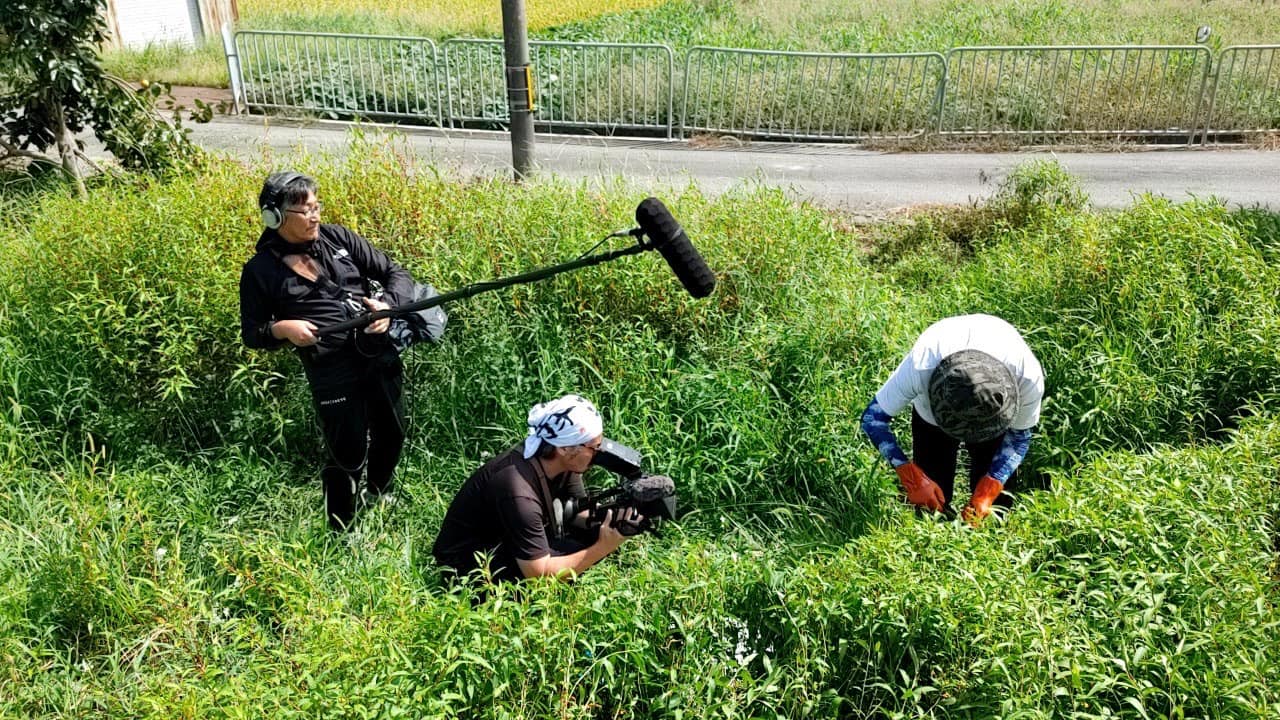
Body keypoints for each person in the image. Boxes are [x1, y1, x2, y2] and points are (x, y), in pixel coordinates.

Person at [239, 171, 414, 530]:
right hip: (332, 371)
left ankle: (379, 494)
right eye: (305, 211)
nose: (315, 216)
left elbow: (396, 273)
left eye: (317, 207)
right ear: (275, 217)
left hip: (376, 351)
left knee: (393, 429)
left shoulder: (338, 237)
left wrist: (387, 307)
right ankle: (341, 528)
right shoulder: (259, 271)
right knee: (346, 451)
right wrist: (282, 329)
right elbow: (252, 333)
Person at [432, 394, 642, 584]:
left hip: (503, 543)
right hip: (465, 569)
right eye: (595, 448)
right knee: (579, 558)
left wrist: (614, 519)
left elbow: (578, 513)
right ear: (566, 449)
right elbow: (538, 574)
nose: (599, 454)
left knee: (588, 539)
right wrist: (603, 546)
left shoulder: (561, 462)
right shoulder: (519, 491)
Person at [860, 314, 1044, 524]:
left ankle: (989, 537)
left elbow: (1019, 436)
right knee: (930, 502)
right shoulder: (921, 365)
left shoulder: (1026, 377)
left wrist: (992, 484)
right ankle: (932, 540)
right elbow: (872, 419)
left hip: (994, 418)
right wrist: (911, 477)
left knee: (994, 507)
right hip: (933, 422)